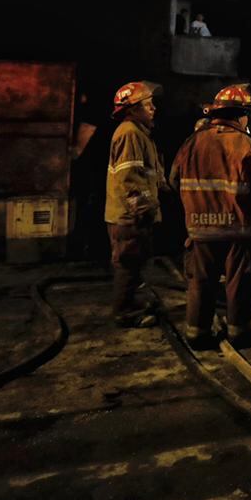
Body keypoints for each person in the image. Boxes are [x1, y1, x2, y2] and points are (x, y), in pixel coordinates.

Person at [170, 84, 251, 349]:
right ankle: (238, 333)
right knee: (240, 283)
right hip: (238, 230)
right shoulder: (249, 146)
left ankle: (196, 334)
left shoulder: (191, 143)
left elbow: (173, 181)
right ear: (241, 115)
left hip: (200, 229)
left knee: (201, 282)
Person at [105, 81, 168, 327]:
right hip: (129, 217)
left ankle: (132, 304)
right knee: (128, 266)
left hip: (131, 215)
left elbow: (149, 173)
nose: (153, 108)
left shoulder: (139, 133)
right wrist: (143, 211)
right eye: (147, 104)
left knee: (135, 264)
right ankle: (125, 313)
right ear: (132, 109)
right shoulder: (130, 133)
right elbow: (129, 178)